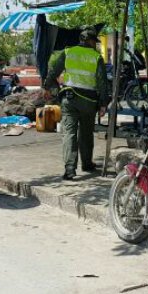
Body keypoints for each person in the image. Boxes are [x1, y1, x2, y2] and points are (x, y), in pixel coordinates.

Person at [44, 28, 108, 180]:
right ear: (90, 41)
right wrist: (103, 104)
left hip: (69, 99)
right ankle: (87, 164)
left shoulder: (68, 52)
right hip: (89, 101)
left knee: (69, 133)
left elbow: (53, 72)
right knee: (86, 133)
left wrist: (49, 87)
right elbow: (102, 83)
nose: (95, 45)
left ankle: (70, 169)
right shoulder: (96, 57)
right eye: (95, 42)